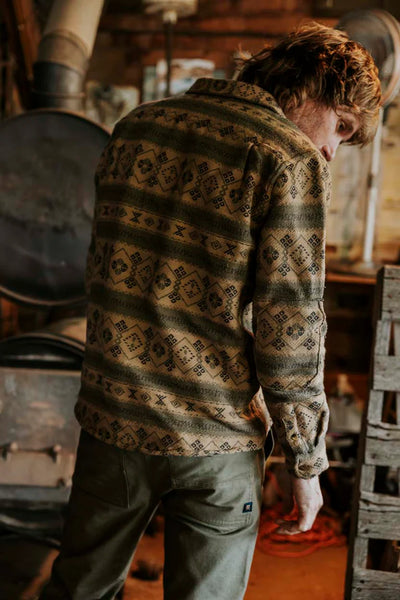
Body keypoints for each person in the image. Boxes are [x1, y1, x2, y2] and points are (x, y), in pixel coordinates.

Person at [40, 22, 381, 600]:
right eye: (340, 126)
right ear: (311, 86)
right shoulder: (289, 158)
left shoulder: (136, 127)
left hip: (113, 420)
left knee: (79, 589)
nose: (331, 149)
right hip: (215, 442)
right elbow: (289, 330)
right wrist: (306, 463)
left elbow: (100, 269)